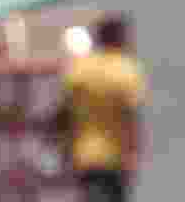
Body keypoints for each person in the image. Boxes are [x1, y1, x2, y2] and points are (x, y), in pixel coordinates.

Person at [56, 14, 148, 202]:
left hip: (83, 155)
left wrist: (62, 147)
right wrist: (134, 152)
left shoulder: (78, 69)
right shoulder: (126, 70)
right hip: (116, 156)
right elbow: (130, 115)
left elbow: (64, 113)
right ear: (121, 37)